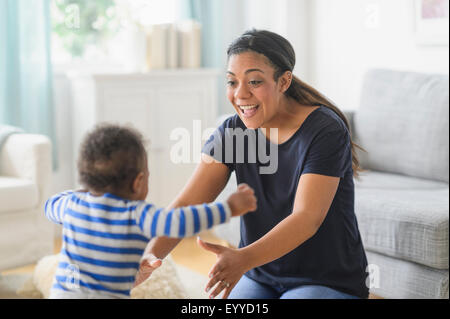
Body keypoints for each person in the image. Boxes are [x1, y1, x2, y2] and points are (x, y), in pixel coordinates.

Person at [135, 29, 369, 299]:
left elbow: (307, 219)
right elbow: (188, 203)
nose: (240, 94)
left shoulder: (325, 130)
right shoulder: (233, 132)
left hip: (326, 280)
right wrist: (148, 257)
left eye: (255, 82)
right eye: (232, 82)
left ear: (284, 81)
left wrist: (243, 258)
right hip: (261, 275)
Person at [44, 123, 257, 299]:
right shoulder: (138, 215)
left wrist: (83, 193)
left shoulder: (72, 205)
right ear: (138, 182)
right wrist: (228, 208)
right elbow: (181, 221)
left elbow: (50, 205)